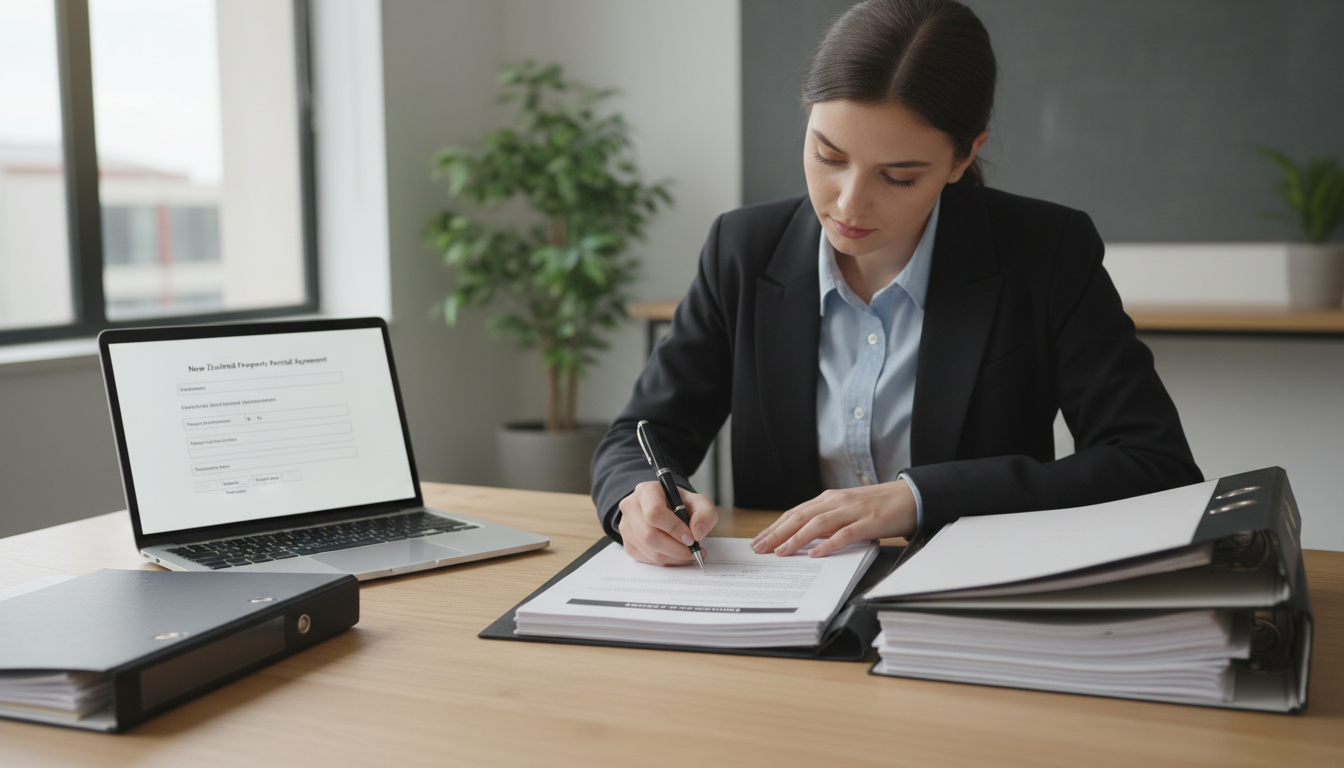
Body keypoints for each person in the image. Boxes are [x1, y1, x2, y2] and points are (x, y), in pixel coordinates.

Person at [590, 0, 1202, 567]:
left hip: (970, 589)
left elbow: (1152, 464)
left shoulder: (1045, 253)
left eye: (900, 177)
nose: (849, 204)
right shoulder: (743, 249)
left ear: (964, 158)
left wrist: (915, 498)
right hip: (784, 599)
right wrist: (636, 501)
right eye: (829, 157)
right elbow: (642, 434)